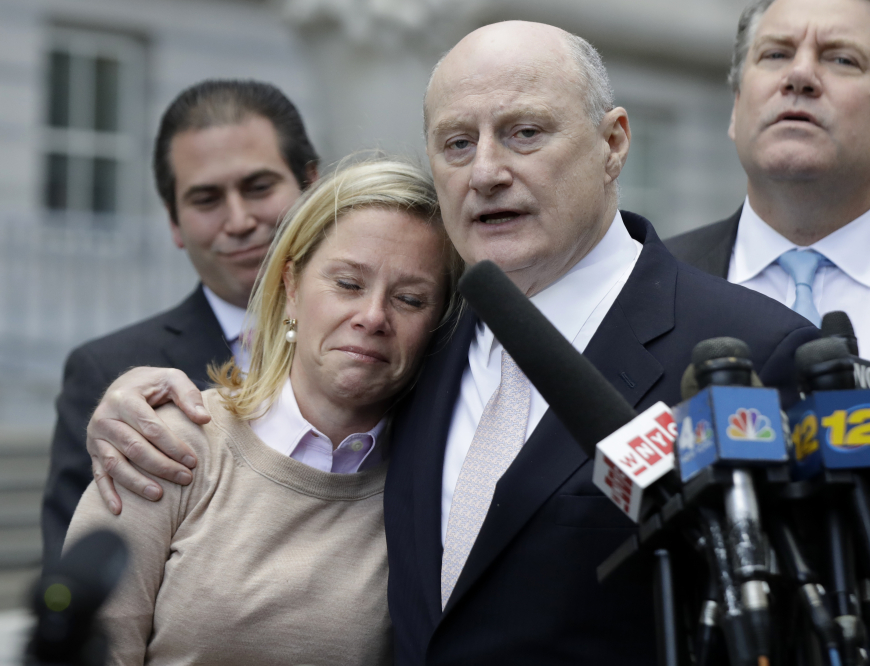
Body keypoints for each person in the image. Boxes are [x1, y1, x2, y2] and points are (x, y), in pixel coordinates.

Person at [80, 22, 818, 664]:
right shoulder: (419, 341)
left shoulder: (747, 353)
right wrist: (128, 397)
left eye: (524, 133)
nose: (487, 171)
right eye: (457, 143)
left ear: (612, 142)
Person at [663, 0, 870, 663]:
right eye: (775, 55)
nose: (799, 77)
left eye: (840, 59)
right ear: (735, 108)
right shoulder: (641, 291)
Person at [64, 158, 461, 665]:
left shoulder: (436, 488)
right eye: (348, 284)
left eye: (410, 298)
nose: (372, 316)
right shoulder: (166, 444)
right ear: (291, 288)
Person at [42, 79, 320, 566]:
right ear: (174, 222)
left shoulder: (389, 334)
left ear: (312, 185)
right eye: (207, 199)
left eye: (258, 187)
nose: (238, 220)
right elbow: (74, 577)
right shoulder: (104, 372)